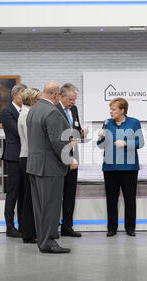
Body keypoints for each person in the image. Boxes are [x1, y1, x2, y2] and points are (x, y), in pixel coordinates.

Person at [26, 82, 78, 254]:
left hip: (34, 166)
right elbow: (57, 141)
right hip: (49, 168)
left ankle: (42, 240)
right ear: (56, 95)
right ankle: (49, 242)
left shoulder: (33, 110)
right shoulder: (52, 112)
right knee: (51, 206)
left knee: (40, 207)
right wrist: (69, 160)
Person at [97, 98, 144, 237]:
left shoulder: (134, 122)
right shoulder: (107, 123)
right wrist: (100, 138)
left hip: (129, 168)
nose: (111, 112)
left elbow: (140, 142)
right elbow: (100, 145)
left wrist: (125, 143)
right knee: (111, 200)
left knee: (130, 199)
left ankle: (130, 227)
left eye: (114, 109)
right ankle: (112, 228)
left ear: (122, 110)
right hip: (110, 167)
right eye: (110, 109)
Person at [55, 83, 89, 238]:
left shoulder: (73, 110)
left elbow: (76, 129)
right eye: (70, 99)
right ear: (61, 96)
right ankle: (53, 226)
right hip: (58, 158)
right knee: (56, 194)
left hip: (73, 156)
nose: (73, 102)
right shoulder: (54, 110)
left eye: (75, 99)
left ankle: (67, 226)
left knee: (70, 193)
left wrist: (81, 133)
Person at [2, 83, 27, 238]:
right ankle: (10, 227)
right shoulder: (7, 112)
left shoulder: (25, 111)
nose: (25, 98)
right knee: (13, 193)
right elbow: (18, 131)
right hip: (13, 157)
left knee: (23, 193)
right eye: (23, 95)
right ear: (16, 94)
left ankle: (23, 225)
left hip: (24, 156)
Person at [17, 87, 41, 243]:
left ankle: (30, 231)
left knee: (30, 196)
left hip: (26, 157)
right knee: (29, 198)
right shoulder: (27, 115)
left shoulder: (25, 113)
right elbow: (31, 140)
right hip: (28, 157)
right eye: (38, 99)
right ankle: (28, 233)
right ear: (32, 100)